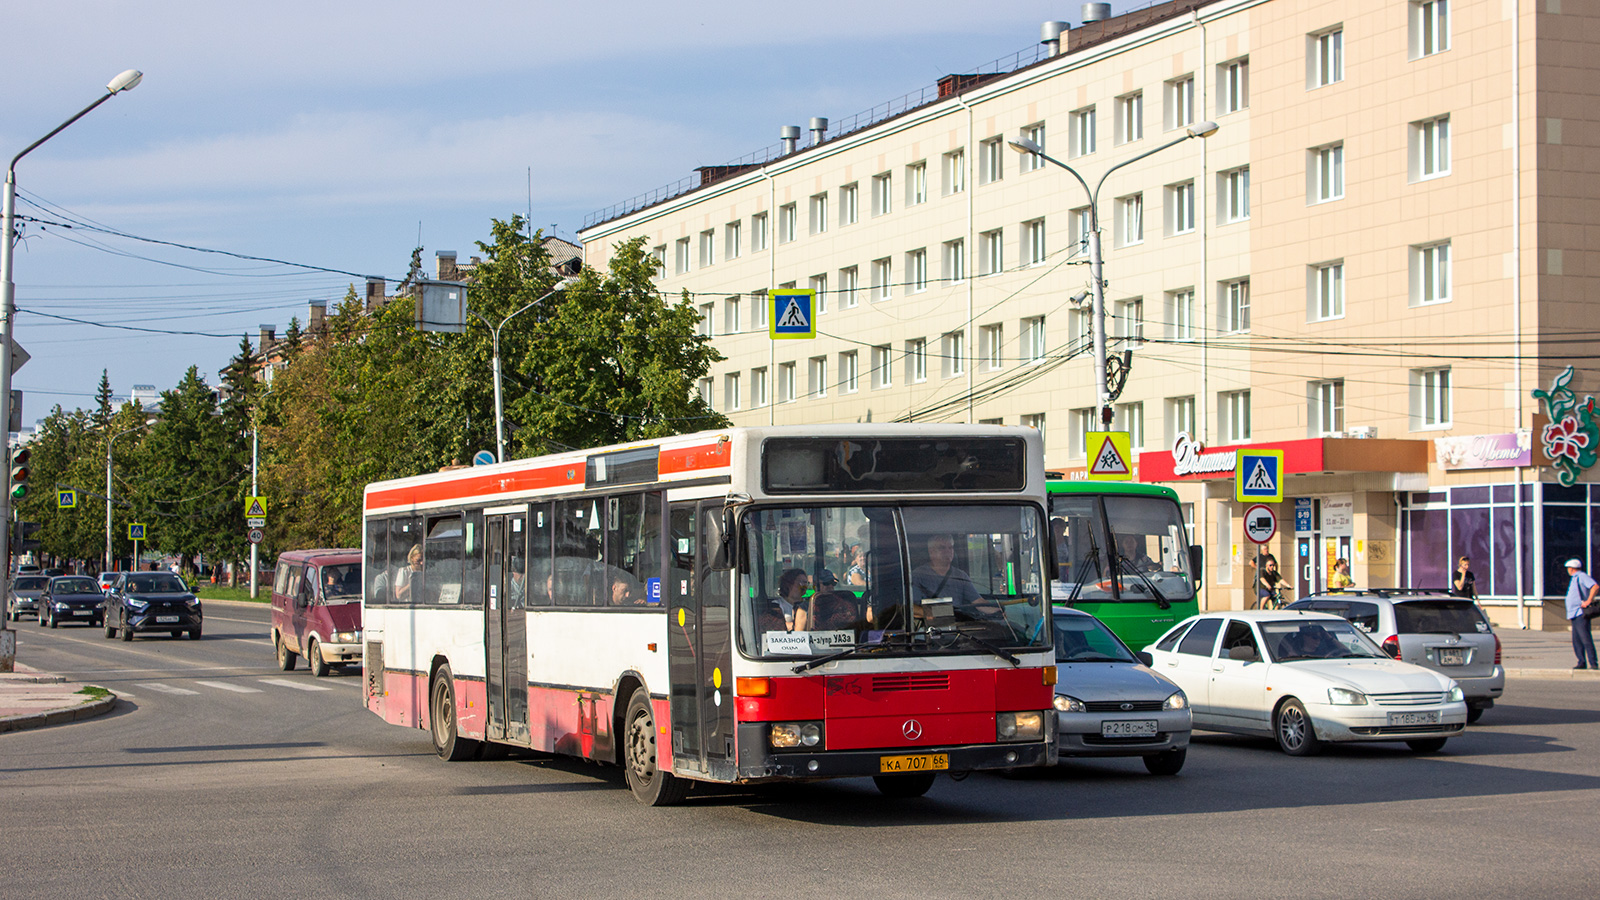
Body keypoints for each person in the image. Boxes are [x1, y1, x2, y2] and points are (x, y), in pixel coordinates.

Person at [1563, 558, 1599, 670]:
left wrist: (1589, 600)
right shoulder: (1574, 578)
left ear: (1572, 568)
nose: (1567, 570)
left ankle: (1593, 663)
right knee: (1576, 640)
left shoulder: (1581, 576)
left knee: (1585, 638)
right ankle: (1581, 662)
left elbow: (1595, 586)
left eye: (1568, 568)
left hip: (1580, 613)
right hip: (1573, 613)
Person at [774, 568, 811, 632]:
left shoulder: (808, 605)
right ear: (789, 584)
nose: (804, 587)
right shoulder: (777, 605)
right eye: (801, 583)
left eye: (806, 583)